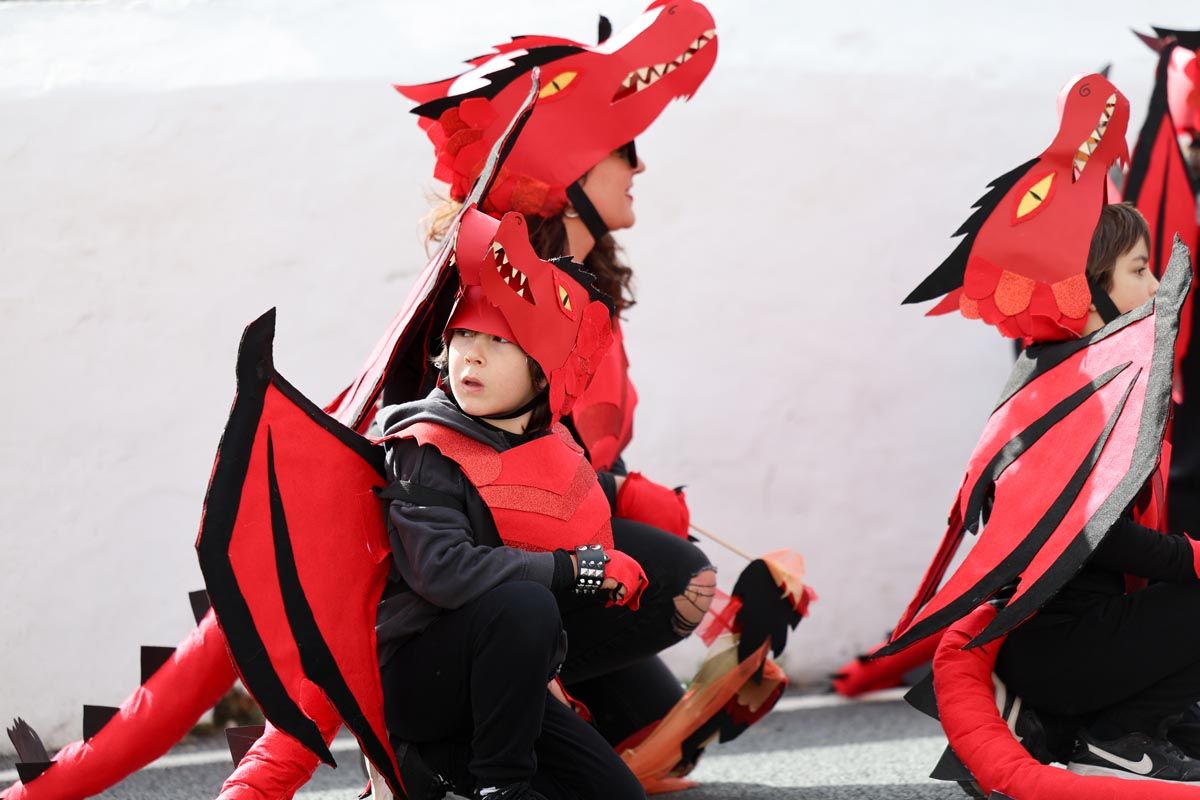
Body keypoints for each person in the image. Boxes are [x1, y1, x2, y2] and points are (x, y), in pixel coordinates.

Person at [395, 2, 724, 759]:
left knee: (669, 740)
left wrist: (618, 490)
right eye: (624, 148)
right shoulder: (497, 291)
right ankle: (486, 720)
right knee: (682, 582)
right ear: (566, 173)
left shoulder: (575, 284)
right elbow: (493, 454)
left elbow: (566, 443)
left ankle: (536, 712)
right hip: (476, 567)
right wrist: (621, 496)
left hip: (552, 542)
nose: (640, 167)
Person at [370, 207, 650, 800]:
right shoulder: (424, 444)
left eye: (498, 341)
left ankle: (452, 772)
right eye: (463, 335)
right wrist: (574, 570)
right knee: (527, 602)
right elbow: (444, 572)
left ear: (541, 374)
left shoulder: (550, 443)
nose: (471, 355)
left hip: (502, 683)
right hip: (421, 684)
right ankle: (499, 786)